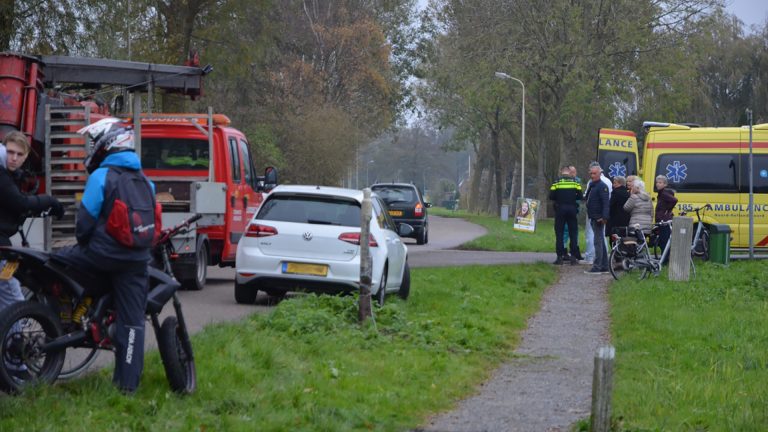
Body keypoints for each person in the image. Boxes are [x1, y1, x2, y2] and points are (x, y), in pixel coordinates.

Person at [53, 118, 157, 394]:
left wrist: (85, 245)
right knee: (133, 324)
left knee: (55, 260)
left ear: (107, 144)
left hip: (100, 256)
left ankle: (63, 314)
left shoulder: (101, 176)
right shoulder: (147, 182)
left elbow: (84, 224)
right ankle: (127, 388)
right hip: (136, 262)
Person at [0, 132, 64, 377]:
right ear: (4, 149)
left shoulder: (10, 176)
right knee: (15, 301)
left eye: (19, 154)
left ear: (26, 156)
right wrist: (49, 201)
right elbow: (19, 203)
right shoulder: (2, 175)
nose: (14, 158)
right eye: (11, 152)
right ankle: (15, 365)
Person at [549, 166, 582, 265]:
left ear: (561, 172)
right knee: (573, 233)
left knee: (559, 233)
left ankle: (560, 257)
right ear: (569, 172)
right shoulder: (575, 182)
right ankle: (573, 257)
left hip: (560, 209)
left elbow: (551, 196)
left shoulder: (556, 182)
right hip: (572, 209)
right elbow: (580, 195)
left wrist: (559, 198)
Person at [582, 162, 612, 264]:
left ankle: (596, 263)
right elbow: (588, 197)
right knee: (600, 239)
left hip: (598, 216)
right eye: (591, 173)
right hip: (594, 215)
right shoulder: (593, 184)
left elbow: (605, 202)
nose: (592, 175)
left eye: (594, 173)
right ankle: (604, 263)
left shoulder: (602, 185)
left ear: (600, 173)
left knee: (596, 240)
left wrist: (604, 217)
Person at [654, 175, 678, 257]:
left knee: (664, 240)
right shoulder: (661, 193)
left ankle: (665, 259)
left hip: (664, 220)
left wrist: (667, 210)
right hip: (661, 219)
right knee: (663, 240)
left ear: (665, 184)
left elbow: (674, 200)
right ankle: (665, 257)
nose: (658, 184)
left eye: (660, 183)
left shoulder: (664, 193)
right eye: (657, 182)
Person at [562, 165, 583, 260]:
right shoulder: (571, 181)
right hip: (569, 209)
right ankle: (565, 251)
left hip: (573, 209)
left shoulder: (576, 181)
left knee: (573, 231)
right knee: (566, 231)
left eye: (575, 172)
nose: (574, 174)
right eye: (572, 172)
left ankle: (573, 251)